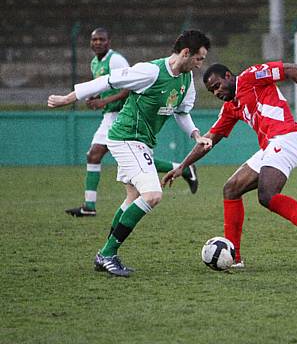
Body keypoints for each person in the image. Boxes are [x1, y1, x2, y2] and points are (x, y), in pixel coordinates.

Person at [48, 30, 213, 277]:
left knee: (132, 197)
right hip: (126, 138)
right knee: (153, 194)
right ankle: (106, 254)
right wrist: (67, 98)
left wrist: (196, 135)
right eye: (199, 58)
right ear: (186, 53)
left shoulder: (187, 81)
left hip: (143, 142)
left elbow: (181, 113)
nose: (201, 64)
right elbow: (107, 81)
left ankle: (105, 254)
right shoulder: (151, 71)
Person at [162, 61, 297, 268]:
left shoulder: (251, 77)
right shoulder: (230, 107)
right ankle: (234, 258)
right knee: (231, 189)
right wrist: (183, 166)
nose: (216, 92)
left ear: (229, 76)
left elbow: (291, 69)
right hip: (270, 146)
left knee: (267, 196)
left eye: (217, 85)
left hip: (287, 137)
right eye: (212, 90)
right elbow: (209, 140)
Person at [65, 27, 199, 218]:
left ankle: (180, 168)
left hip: (125, 116)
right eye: (94, 40)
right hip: (113, 118)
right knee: (97, 157)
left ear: (109, 41)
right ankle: (90, 206)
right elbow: (107, 85)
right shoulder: (95, 62)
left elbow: (126, 87)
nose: (97, 43)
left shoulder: (117, 60)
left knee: (128, 175)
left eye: (101, 39)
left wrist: (97, 100)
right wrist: (95, 96)